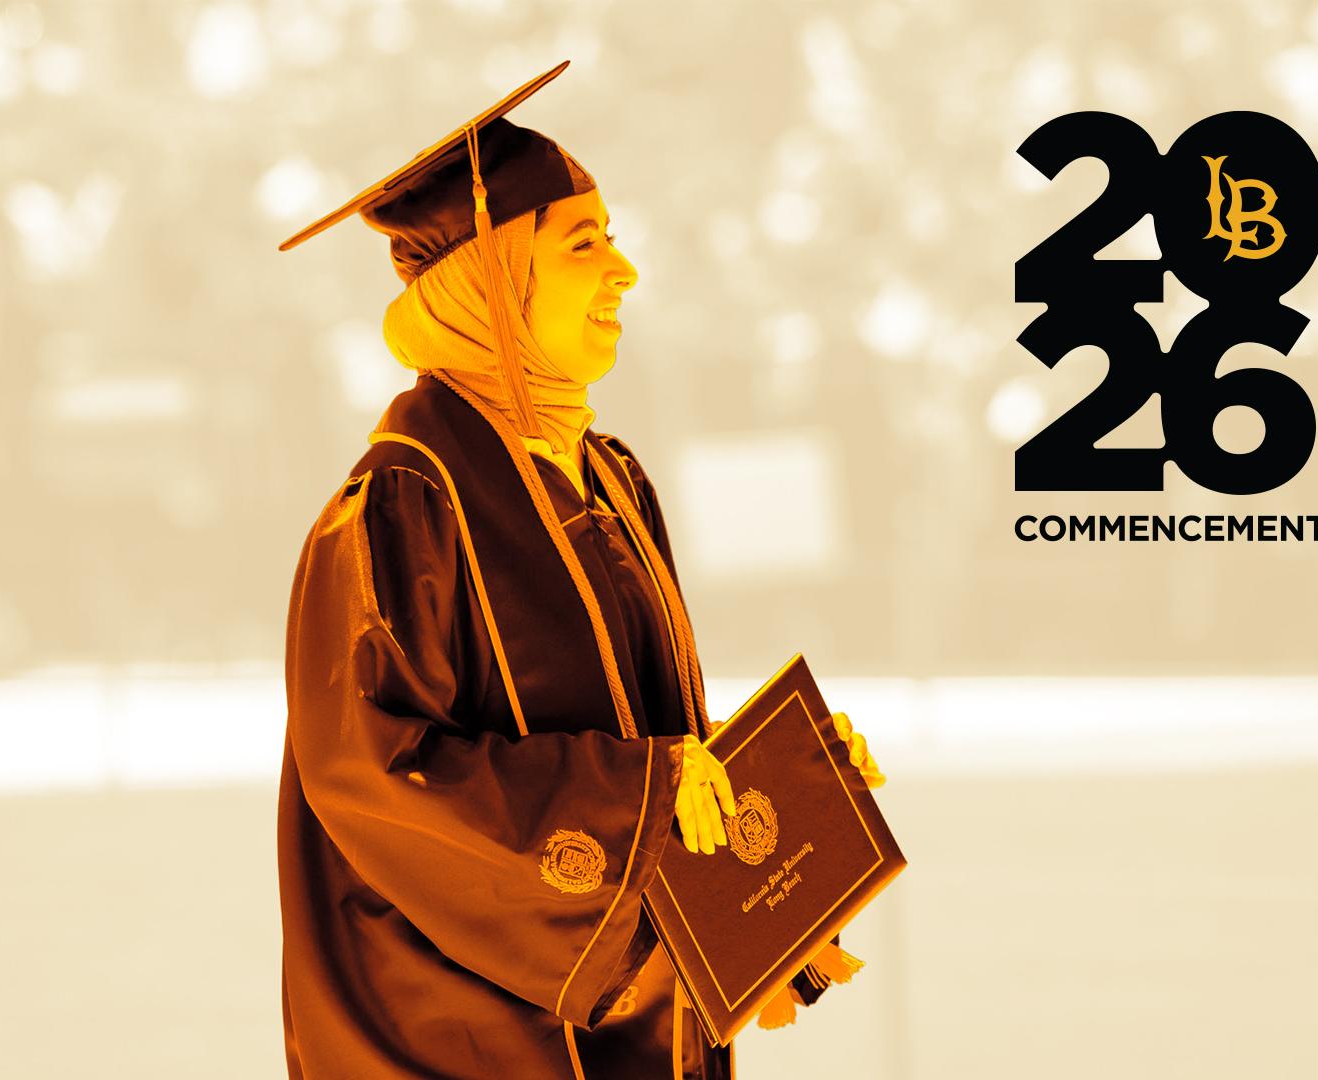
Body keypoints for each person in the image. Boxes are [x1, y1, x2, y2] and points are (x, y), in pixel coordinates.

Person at [276, 62, 884, 1079]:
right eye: (586, 246)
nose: (624, 276)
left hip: (638, 1038)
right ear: (491, 281)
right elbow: (377, 780)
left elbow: (652, 751)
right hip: (476, 1050)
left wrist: (777, 803)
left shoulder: (606, 477)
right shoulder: (401, 507)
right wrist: (642, 795)